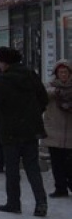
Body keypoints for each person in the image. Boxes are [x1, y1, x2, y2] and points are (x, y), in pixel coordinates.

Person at [0, 46, 48, 217]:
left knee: (12, 167)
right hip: (31, 129)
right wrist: (34, 113)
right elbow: (43, 98)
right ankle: (41, 202)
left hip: (10, 129)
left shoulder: (3, 80)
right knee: (32, 167)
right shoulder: (31, 75)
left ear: (4, 62)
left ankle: (14, 202)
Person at [41, 59, 72, 198]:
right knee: (57, 162)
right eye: (61, 72)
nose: (63, 75)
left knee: (69, 163)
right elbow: (42, 95)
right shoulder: (50, 87)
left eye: (66, 72)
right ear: (56, 74)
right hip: (54, 131)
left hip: (70, 132)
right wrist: (55, 92)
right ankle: (60, 187)